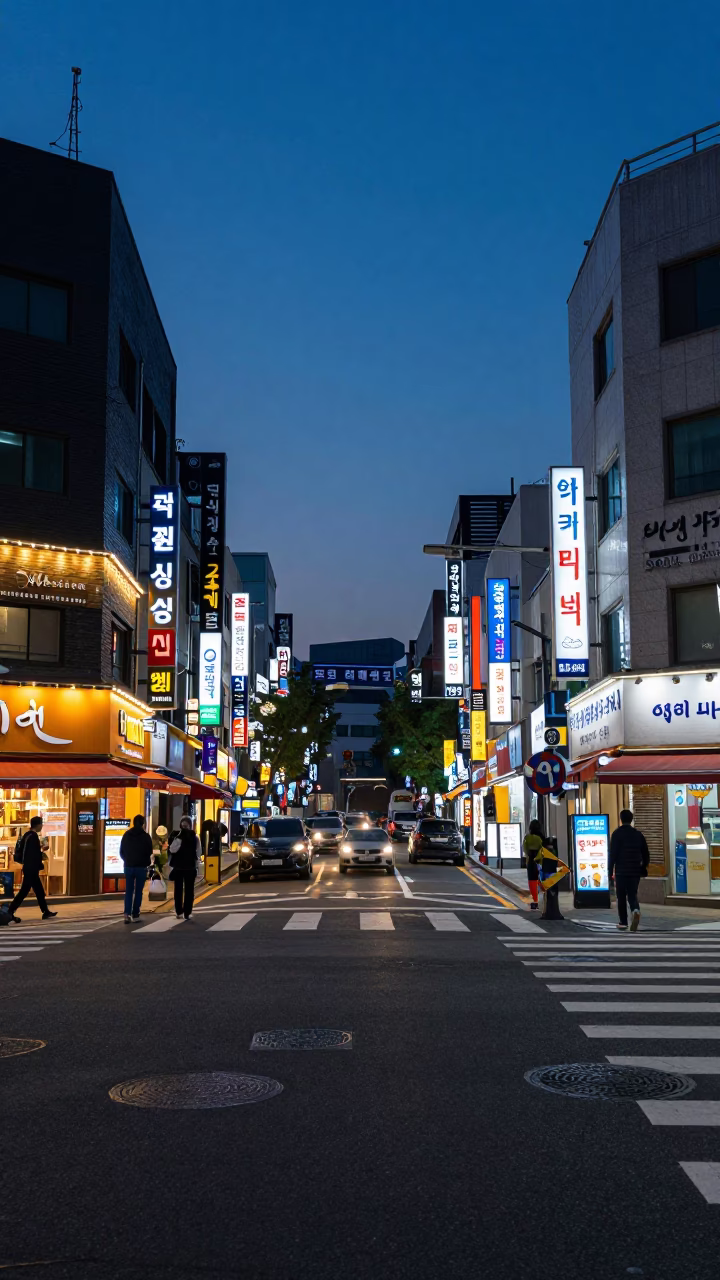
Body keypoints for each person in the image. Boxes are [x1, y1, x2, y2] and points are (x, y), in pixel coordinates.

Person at [8, 815, 57, 921]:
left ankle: (46, 911)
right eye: (41, 824)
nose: (42, 826)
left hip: (29, 868)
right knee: (24, 892)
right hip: (31, 869)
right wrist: (41, 853)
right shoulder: (33, 836)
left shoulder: (27, 835)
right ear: (38, 825)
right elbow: (32, 854)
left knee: (39, 891)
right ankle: (9, 911)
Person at [609, 809, 649, 932]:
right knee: (632, 894)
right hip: (635, 871)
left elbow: (613, 854)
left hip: (621, 871)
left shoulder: (616, 834)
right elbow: (646, 854)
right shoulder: (638, 834)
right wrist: (643, 867)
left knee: (621, 896)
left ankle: (623, 922)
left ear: (621, 819)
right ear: (631, 819)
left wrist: (610, 871)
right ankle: (635, 910)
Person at [120, 815, 153, 922]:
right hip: (141, 867)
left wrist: (127, 860)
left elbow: (121, 851)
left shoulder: (127, 835)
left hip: (128, 866)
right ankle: (135, 914)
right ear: (143, 823)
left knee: (129, 891)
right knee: (138, 891)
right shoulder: (145, 836)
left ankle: (126, 914)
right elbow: (149, 851)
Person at [169, 816, 201, 921]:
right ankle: (187, 912)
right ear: (191, 825)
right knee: (189, 890)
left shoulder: (178, 837)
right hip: (190, 867)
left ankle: (179, 911)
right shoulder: (195, 837)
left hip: (179, 867)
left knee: (178, 890)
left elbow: (172, 850)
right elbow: (198, 852)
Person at [522, 819, 544, 910]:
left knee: (532, 880)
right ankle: (544, 898)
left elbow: (525, 849)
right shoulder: (541, 837)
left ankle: (535, 900)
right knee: (541, 879)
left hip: (531, 861)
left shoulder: (527, 838)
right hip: (541, 861)